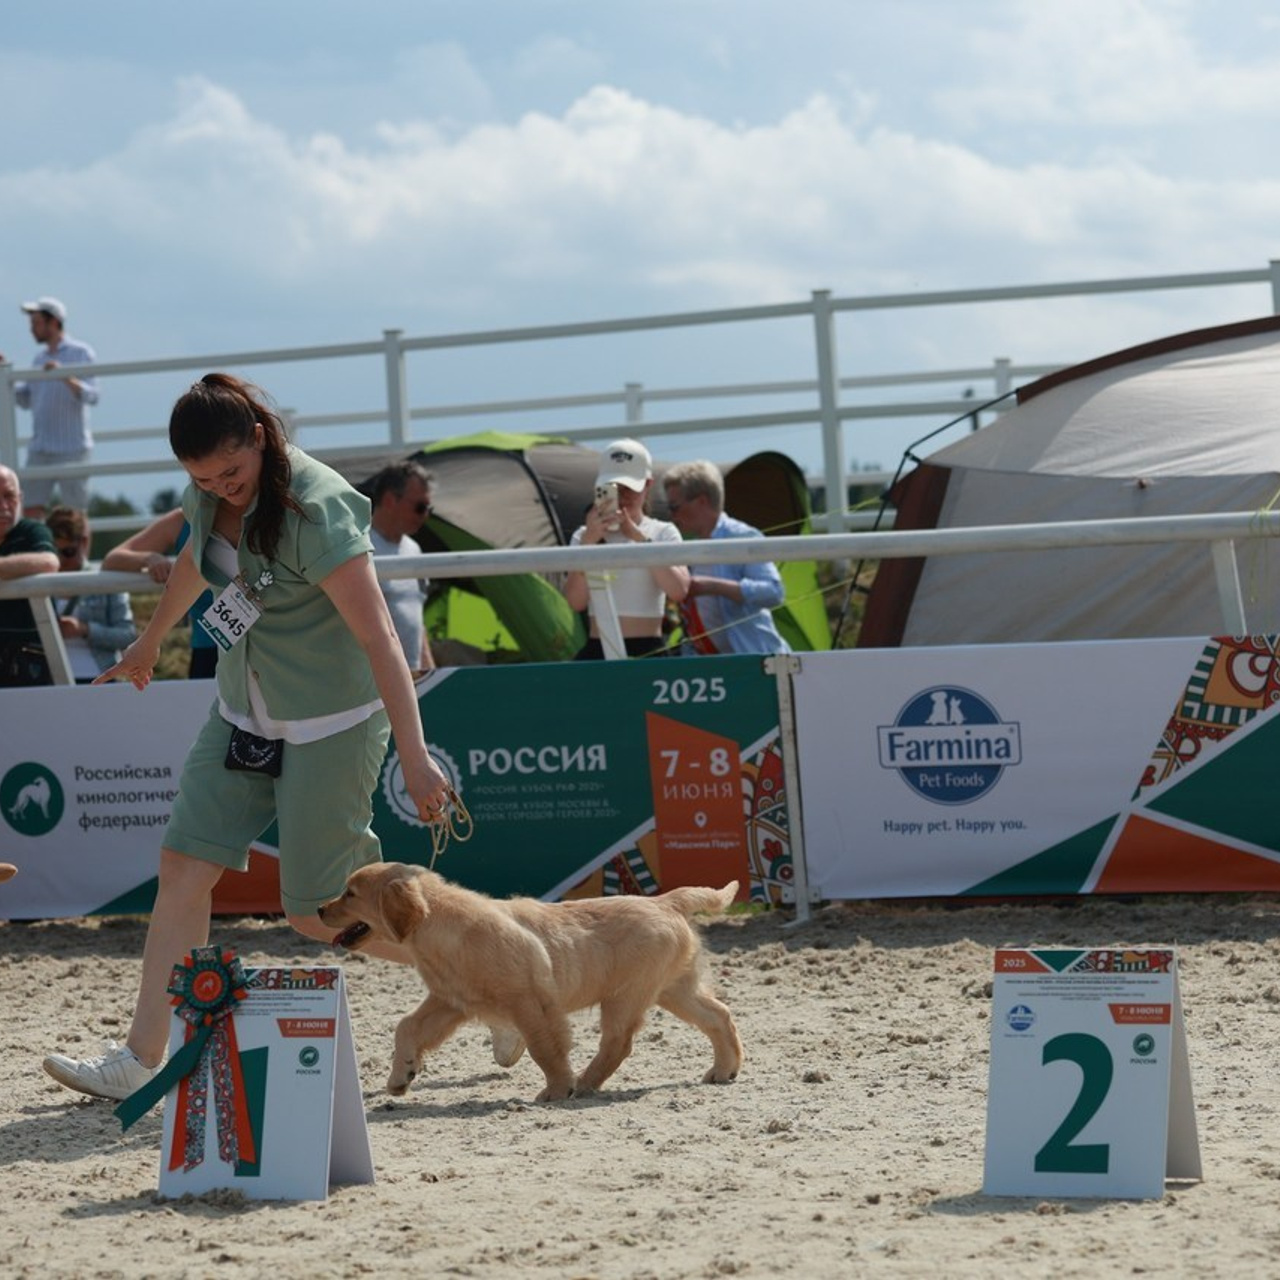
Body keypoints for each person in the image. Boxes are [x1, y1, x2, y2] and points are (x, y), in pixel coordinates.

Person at [43, 373, 452, 1101]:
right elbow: (199, 566)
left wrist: (416, 756)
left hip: (334, 724)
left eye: (231, 472)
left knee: (315, 911)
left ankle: (481, 976)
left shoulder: (320, 509)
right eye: (203, 478)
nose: (220, 488)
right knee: (182, 866)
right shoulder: (207, 495)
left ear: (260, 439)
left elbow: (383, 638)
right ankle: (143, 1058)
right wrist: (147, 644)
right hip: (241, 715)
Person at [563, 438, 689, 659]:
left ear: (648, 486)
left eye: (631, 487)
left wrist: (640, 539)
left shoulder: (663, 532)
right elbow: (575, 602)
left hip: (649, 649)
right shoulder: (584, 535)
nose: (623, 495)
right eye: (614, 487)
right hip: (597, 649)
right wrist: (589, 544)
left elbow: (679, 590)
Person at [663, 460, 791, 655]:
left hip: (753, 660)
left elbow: (774, 592)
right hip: (708, 665)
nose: (672, 515)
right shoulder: (688, 543)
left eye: (674, 507)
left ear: (701, 501)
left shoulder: (742, 536)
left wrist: (713, 587)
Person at [102, 507, 218, 678]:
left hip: (263, 643)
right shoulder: (184, 518)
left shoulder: (261, 512)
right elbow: (112, 560)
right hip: (209, 649)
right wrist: (148, 558)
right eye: (203, 480)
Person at [11, 297, 99, 519]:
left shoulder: (81, 352)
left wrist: (64, 376)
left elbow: (93, 395)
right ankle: (36, 554)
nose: (32, 328)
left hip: (72, 447)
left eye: (36, 322)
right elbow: (25, 398)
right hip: (41, 447)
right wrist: (5, 377)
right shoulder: (39, 358)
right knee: (30, 510)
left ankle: (77, 555)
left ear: (53, 322)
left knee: (75, 516)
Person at [44, 505, 135, 682]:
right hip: (48, 679)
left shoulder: (106, 580)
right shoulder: (34, 581)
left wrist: (85, 629)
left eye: (68, 552)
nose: (61, 560)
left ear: (84, 542)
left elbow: (128, 635)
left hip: (99, 678)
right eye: (54, 552)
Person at [366, 461, 436, 672]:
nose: (425, 515)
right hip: (374, 678)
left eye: (428, 508)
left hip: (412, 676)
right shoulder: (359, 546)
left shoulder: (413, 548)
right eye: (419, 507)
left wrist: (428, 669)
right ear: (389, 500)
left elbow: (416, 616)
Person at [0, 464, 59, 686]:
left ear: (21, 498)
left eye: (9, 496)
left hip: (31, 664)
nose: (3, 506)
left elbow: (49, 562)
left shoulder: (32, 531)